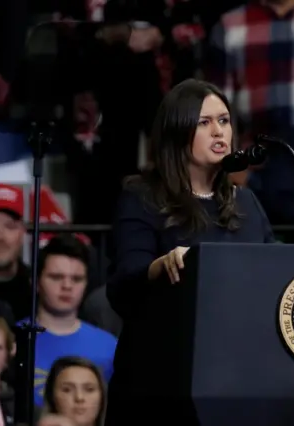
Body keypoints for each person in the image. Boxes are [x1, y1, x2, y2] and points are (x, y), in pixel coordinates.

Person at [105, 78, 275, 424]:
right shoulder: (142, 197)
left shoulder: (245, 203)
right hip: (162, 380)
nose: (219, 132)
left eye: (224, 121)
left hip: (237, 376)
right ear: (176, 132)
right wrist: (162, 265)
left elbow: (273, 271)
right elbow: (124, 282)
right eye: (204, 122)